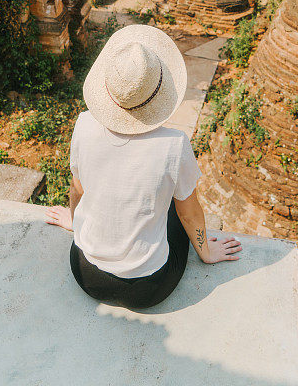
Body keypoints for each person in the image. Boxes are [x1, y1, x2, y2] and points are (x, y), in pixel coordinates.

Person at [46, 24, 242, 310]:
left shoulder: (84, 124)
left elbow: (78, 189)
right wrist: (207, 251)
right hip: (148, 288)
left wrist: (76, 225)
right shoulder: (174, 144)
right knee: (176, 204)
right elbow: (189, 215)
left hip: (85, 272)